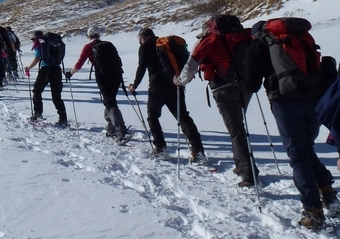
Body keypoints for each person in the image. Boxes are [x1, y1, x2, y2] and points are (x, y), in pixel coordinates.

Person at [244, 18, 339, 230]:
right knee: (306, 148)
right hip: (315, 100)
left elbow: (251, 83)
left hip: (285, 103)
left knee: (298, 155)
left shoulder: (259, 45)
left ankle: (313, 211)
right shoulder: (300, 37)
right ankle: (328, 194)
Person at [175, 16, 256, 188]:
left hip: (223, 87)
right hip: (246, 86)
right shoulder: (243, 35)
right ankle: (240, 166)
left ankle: (249, 174)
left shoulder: (210, 40)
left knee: (236, 129)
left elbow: (191, 65)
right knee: (238, 126)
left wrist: (180, 81)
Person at [127, 28, 206, 163]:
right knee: (182, 116)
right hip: (175, 83)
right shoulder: (167, 45)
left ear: (142, 38)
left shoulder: (145, 46)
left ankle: (160, 148)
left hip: (157, 86)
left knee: (152, 116)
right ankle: (198, 151)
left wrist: (134, 85)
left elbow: (141, 67)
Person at [66, 26, 128, 141]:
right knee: (109, 99)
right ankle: (111, 126)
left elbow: (79, 64)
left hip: (102, 75)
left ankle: (120, 128)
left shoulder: (88, 47)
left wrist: (70, 73)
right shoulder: (108, 44)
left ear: (89, 36)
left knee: (110, 102)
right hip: (117, 74)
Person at [24, 30, 68, 126]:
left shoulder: (40, 44)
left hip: (46, 69)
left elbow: (37, 58)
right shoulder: (53, 43)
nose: (33, 41)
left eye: (33, 39)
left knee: (37, 91)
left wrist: (28, 68)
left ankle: (38, 113)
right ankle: (63, 118)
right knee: (56, 96)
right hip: (57, 69)